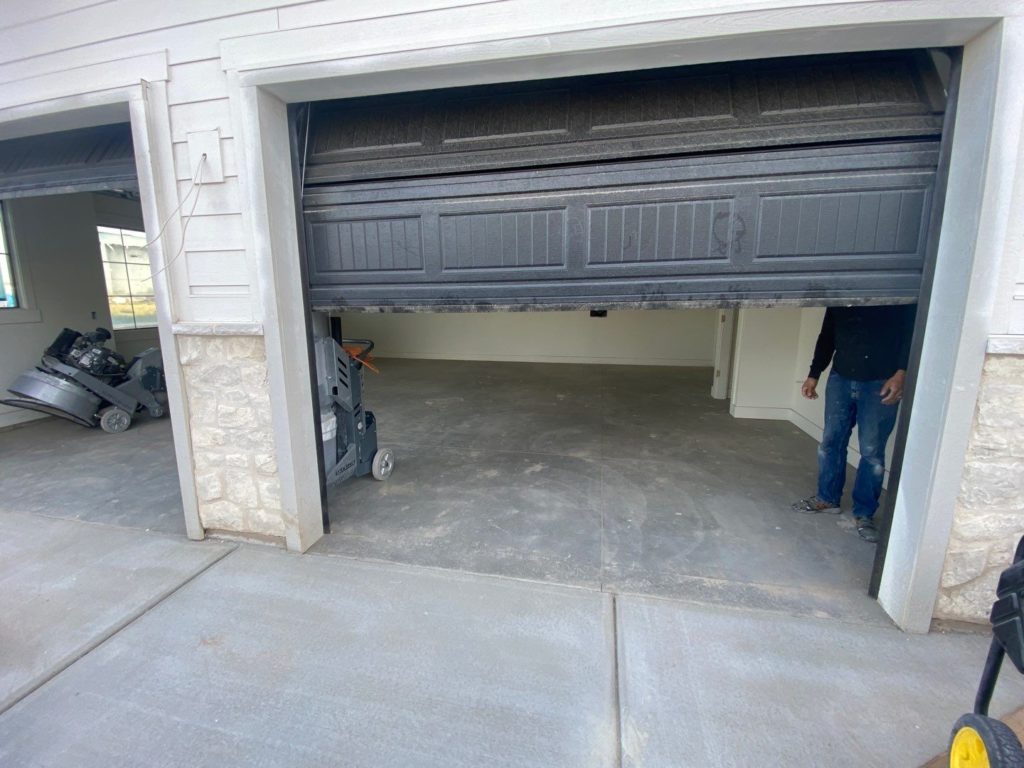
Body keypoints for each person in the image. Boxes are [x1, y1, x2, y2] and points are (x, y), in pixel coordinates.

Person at [791, 304, 916, 543]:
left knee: (871, 451)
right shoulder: (842, 296)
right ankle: (827, 499)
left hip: (881, 380)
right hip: (841, 376)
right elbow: (827, 335)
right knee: (831, 441)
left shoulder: (898, 294)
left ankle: (864, 514)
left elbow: (910, 333)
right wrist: (814, 374)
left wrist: (901, 374)